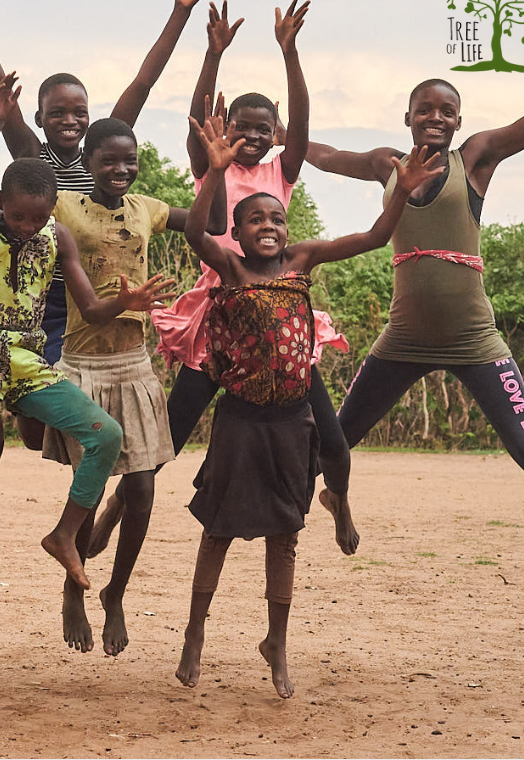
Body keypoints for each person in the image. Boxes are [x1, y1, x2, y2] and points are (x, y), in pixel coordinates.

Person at [0, 0, 224, 578]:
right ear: (38, 120)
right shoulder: (33, 167)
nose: (69, 121)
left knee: (63, 438)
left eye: (79, 113)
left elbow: (141, 87)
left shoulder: (107, 162)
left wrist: (178, 13)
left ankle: (86, 524)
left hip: (91, 311)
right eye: (57, 113)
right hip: (43, 306)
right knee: (21, 432)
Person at [175, 111, 443, 698]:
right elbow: (197, 234)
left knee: (285, 534)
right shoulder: (229, 265)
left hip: (291, 418)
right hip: (241, 419)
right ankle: (196, 630)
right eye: (254, 219)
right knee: (217, 530)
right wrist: (214, 176)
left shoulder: (303, 261)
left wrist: (399, 190)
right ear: (237, 232)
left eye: (276, 217)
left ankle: (277, 645)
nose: (267, 225)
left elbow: (373, 239)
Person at [0, 124, 174, 598]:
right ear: (1, 203)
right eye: (19, 216)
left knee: (106, 436)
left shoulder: (58, 236)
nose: (28, 227)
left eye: (38, 218)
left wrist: (126, 303)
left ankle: (65, 533)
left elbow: (89, 308)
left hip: (28, 362)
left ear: (51, 211)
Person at [307, 76, 524, 545]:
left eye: (446, 110)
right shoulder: (386, 164)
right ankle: (332, 500)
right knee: (326, 445)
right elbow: (329, 158)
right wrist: (281, 135)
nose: (436, 116)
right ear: (408, 118)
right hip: (402, 342)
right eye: (425, 109)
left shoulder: (475, 158)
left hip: (474, 341)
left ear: (459, 121)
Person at [146, 0, 355, 555]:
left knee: (333, 440)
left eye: (266, 128)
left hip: (274, 316)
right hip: (217, 312)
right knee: (172, 428)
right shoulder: (209, 165)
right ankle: (124, 504)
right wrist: (212, 54)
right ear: (226, 128)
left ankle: (338, 496)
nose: (256, 136)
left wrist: (291, 52)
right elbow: (198, 117)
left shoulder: (279, 170)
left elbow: (303, 125)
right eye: (245, 127)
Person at [32, 93, 224, 655]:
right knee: (89, 492)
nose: (120, 170)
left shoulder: (146, 208)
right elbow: (0, 204)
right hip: (83, 363)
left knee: (140, 490)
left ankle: (115, 592)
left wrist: (214, 169)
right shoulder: (64, 209)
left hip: (133, 365)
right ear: (86, 161)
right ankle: (75, 586)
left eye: (129, 160)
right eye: (109, 161)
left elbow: (209, 221)